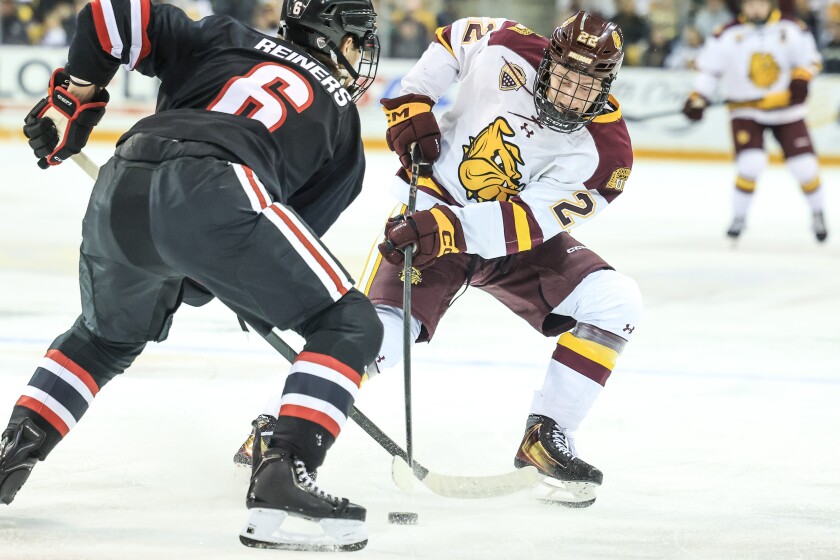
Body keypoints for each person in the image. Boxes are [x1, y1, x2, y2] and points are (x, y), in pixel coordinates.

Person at [0, 0, 383, 551]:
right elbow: (272, 251)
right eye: (356, 41)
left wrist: (73, 100)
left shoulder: (224, 36)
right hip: (220, 187)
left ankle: (14, 450)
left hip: (123, 180)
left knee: (105, 337)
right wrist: (217, 277)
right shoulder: (344, 121)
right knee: (348, 323)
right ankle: (284, 469)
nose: (357, 55)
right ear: (336, 37)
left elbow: (110, 14)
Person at [239, 11, 643, 507]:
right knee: (377, 334)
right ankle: (274, 424)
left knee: (615, 301)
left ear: (607, 83)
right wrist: (412, 99)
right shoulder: (507, 42)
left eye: (587, 84)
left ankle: (547, 434)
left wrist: (451, 230)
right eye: (564, 76)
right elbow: (451, 41)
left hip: (513, 239)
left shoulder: (608, 153)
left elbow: (527, 222)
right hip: (433, 206)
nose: (570, 93)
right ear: (548, 60)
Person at [682, 0, 827, 242]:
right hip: (746, 112)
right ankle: (739, 218)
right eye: (750, 4)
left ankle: (818, 213)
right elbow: (710, 71)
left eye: (760, 3)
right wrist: (698, 97)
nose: (755, 9)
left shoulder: (792, 28)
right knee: (751, 165)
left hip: (787, 112)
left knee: (805, 167)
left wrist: (801, 79)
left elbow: (810, 60)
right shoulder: (726, 34)